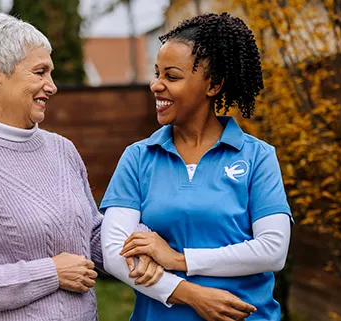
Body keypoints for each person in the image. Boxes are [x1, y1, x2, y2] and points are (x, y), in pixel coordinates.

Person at [0, 12, 163, 321]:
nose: (52, 86)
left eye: (50, 73)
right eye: (40, 72)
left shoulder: (62, 149)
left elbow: (91, 237)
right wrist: (50, 273)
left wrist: (147, 240)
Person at [101, 13, 293, 321]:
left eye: (171, 77)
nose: (155, 85)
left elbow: (273, 250)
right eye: (156, 74)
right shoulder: (138, 158)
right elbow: (113, 254)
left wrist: (179, 259)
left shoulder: (257, 157)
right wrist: (190, 294)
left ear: (213, 85)